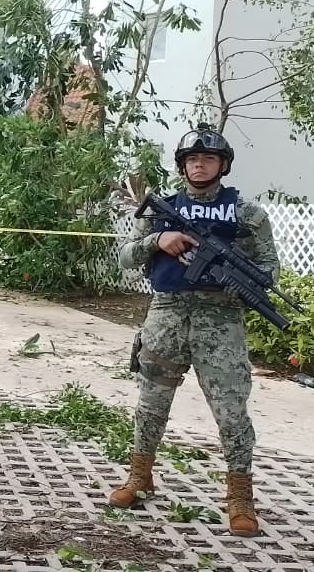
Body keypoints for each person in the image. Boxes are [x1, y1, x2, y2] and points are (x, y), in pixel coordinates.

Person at [110, 124, 279, 537]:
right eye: (191, 159)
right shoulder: (160, 208)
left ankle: (240, 496)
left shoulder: (247, 214)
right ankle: (140, 476)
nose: (198, 165)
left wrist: (233, 270)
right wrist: (159, 240)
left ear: (223, 165)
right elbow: (127, 257)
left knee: (231, 410)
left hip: (220, 319)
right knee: (152, 402)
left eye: (207, 159)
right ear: (182, 165)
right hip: (167, 313)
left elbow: (270, 271)